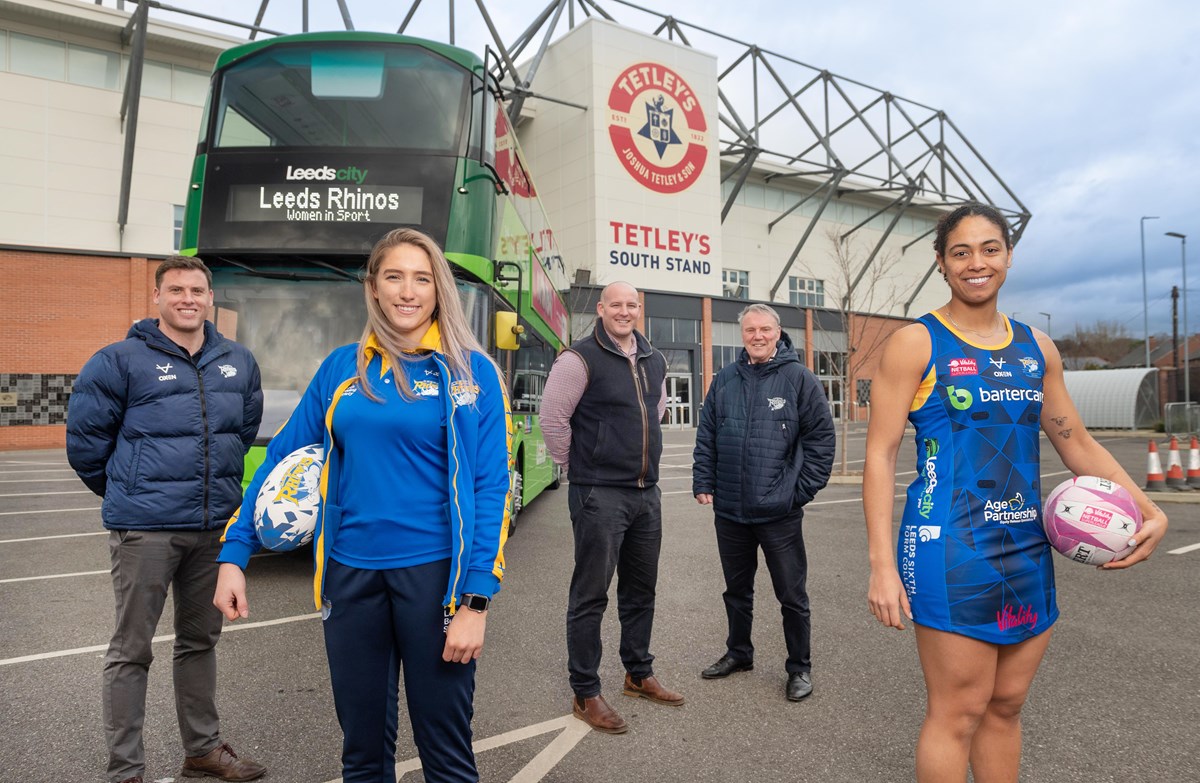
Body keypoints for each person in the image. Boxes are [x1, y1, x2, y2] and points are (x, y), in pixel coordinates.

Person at [862, 204, 1168, 782]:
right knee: (958, 712)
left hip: (1028, 546)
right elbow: (878, 456)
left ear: (1007, 257)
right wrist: (881, 565)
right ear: (941, 264)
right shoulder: (914, 343)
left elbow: (1077, 443)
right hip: (950, 547)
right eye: (961, 252)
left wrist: (1149, 509)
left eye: (990, 249)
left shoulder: (1037, 348)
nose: (977, 263)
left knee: (1006, 707)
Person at [213, 228, 512, 783]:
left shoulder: (472, 374)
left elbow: (492, 488)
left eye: (421, 278)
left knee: (446, 755)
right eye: (394, 277)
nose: (407, 291)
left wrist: (475, 601)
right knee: (362, 753)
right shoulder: (340, 369)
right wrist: (234, 553)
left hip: (434, 582)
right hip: (350, 578)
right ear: (373, 288)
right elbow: (284, 461)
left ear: (438, 288)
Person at [66, 255, 266, 783]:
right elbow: (87, 445)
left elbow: (240, 433)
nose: (188, 299)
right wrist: (130, 496)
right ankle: (126, 769)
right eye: (176, 289)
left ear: (210, 299)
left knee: (200, 642)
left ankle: (202, 751)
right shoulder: (118, 360)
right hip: (146, 531)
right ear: (156, 297)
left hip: (213, 531)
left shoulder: (239, 361)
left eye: (197, 290)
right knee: (131, 650)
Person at [540, 281, 683, 734]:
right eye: (616, 304)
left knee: (641, 592)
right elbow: (552, 418)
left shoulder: (654, 359)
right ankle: (585, 691)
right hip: (599, 492)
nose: (624, 311)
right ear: (601, 309)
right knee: (590, 595)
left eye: (632, 305)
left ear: (640, 309)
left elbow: (654, 411)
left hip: (646, 493)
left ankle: (637, 673)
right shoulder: (578, 358)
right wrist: (580, 467)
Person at [692, 303, 835, 701]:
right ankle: (739, 653)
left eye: (765, 329)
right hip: (731, 511)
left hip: (779, 514)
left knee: (791, 595)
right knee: (736, 591)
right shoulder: (725, 379)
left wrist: (797, 492)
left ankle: (799, 668)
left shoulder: (799, 379)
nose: (757, 336)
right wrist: (703, 479)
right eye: (750, 329)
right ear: (742, 334)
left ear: (778, 333)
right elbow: (707, 434)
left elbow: (822, 442)